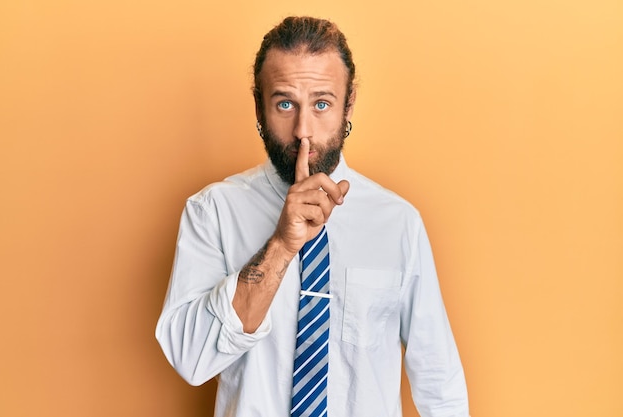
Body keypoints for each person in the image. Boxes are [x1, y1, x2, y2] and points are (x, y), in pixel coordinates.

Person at [156, 16, 469, 417]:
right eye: (285, 104)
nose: (303, 130)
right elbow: (191, 358)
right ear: (259, 105)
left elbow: (439, 382)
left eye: (322, 104)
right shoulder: (212, 212)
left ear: (348, 104)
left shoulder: (398, 224)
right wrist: (282, 246)